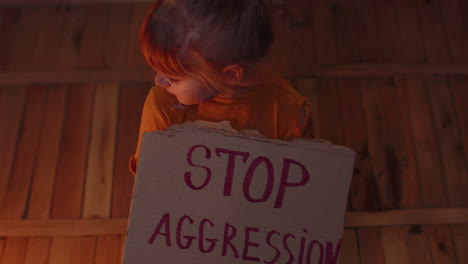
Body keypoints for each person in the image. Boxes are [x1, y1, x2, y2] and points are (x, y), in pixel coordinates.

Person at [130, 0, 314, 175]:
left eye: (173, 78)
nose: (158, 81)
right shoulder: (163, 105)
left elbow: (304, 188)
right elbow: (148, 182)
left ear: (231, 74)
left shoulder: (289, 114)